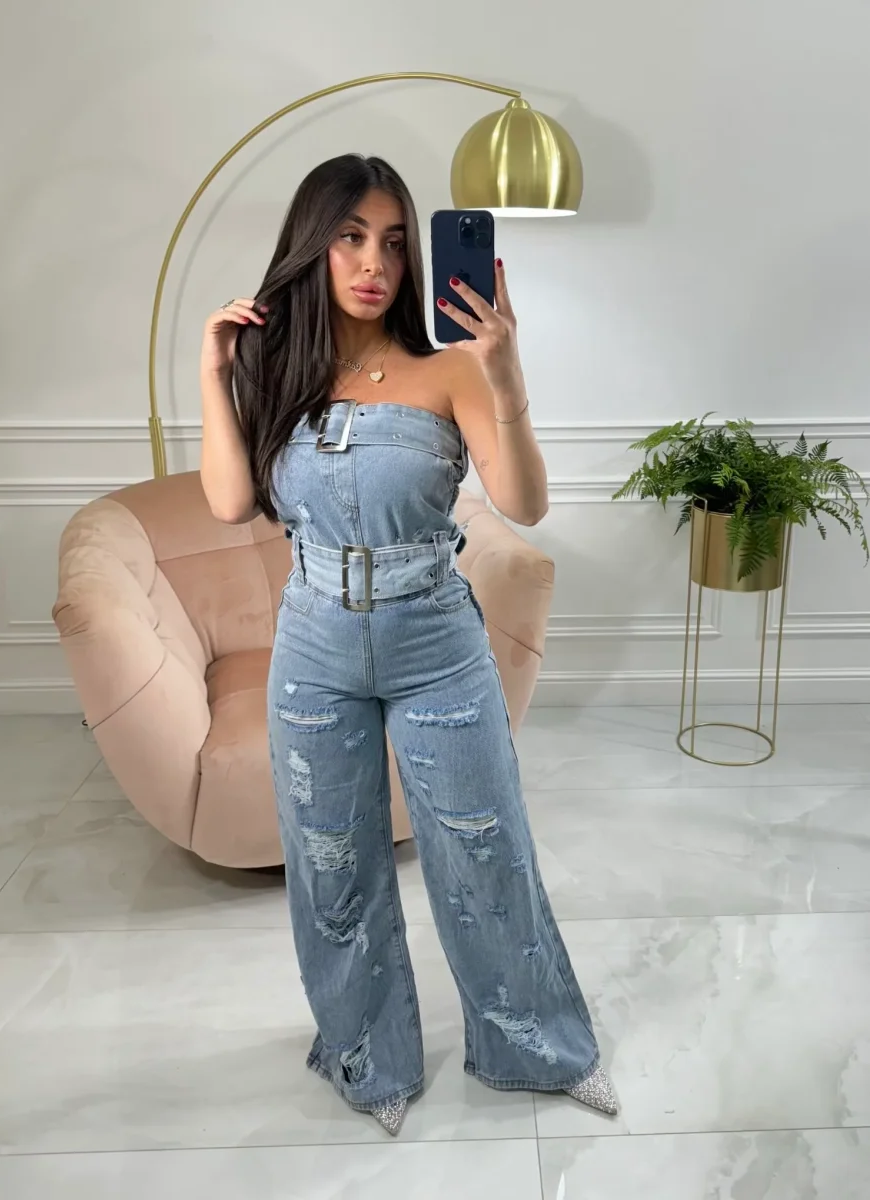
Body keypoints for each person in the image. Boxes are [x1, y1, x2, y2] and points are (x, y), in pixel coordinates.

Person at [199, 154, 617, 1136]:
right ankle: (367, 1059)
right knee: (332, 862)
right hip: (313, 649)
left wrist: (505, 372)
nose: (373, 263)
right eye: (350, 238)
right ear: (313, 246)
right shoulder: (276, 369)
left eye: (393, 241)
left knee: (485, 853)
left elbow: (524, 503)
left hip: (435, 643)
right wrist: (213, 373)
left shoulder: (451, 369)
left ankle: (538, 1048)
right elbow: (228, 501)